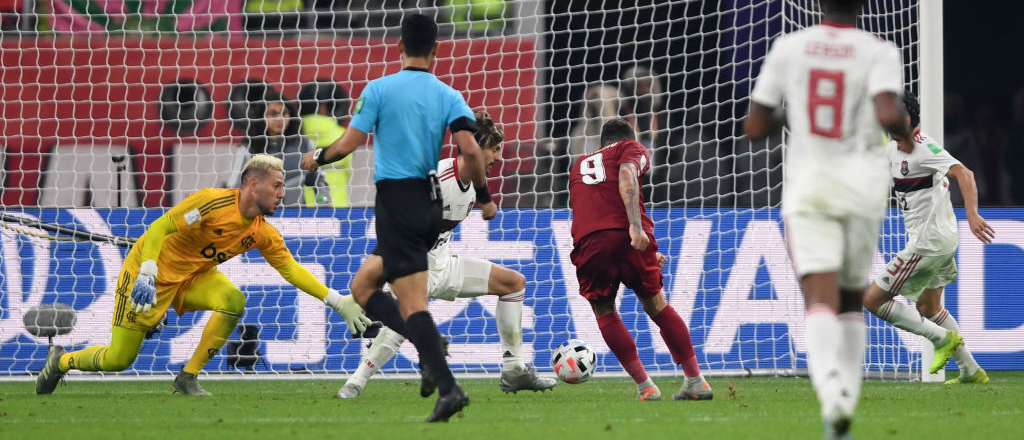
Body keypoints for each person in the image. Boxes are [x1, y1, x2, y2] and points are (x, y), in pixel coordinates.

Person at [36, 155, 372, 396]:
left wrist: (337, 300)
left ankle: (188, 376)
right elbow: (160, 226)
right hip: (147, 276)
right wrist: (148, 270)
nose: (283, 193)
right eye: (277, 185)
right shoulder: (211, 204)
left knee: (232, 300)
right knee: (118, 359)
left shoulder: (261, 232)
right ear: (253, 185)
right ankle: (61, 360)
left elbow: (291, 269)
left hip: (193, 278)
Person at [301, 14, 491, 422]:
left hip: (396, 202)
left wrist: (317, 158)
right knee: (363, 286)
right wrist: (486, 197)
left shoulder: (379, 89)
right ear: (436, 52)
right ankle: (428, 346)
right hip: (429, 203)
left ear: (399, 48)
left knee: (412, 305)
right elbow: (472, 152)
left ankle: (446, 383)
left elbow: (349, 144)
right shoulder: (448, 94)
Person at [745, 0, 915, 437]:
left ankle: (832, 397)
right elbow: (886, 114)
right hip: (862, 190)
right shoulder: (879, 50)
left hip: (810, 189)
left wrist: (795, 114)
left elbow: (754, 125)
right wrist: (902, 135)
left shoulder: (789, 46)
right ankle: (849, 400)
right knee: (850, 300)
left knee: (819, 300)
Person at [337, 111, 556, 399]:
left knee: (513, 283)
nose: (499, 158)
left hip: (443, 264)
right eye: (495, 150)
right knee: (406, 321)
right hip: (414, 266)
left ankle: (513, 370)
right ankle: (354, 383)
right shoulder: (439, 179)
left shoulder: (474, 186)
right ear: (475, 149)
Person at [568, 118, 712, 402]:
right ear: (630, 139)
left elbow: (592, 210)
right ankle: (695, 380)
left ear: (600, 144)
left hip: (590, 242)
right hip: (627, 234)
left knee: (605, 311)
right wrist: (634, 226)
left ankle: (645, 385)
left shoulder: (578, 165)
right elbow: (626, 175)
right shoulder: (631, 148)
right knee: (657, 304)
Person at [863, 91, 993, 384]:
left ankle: (942, 340)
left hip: (928, 242)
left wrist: (972, 214)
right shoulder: (893, 149)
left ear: (907, 118)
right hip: (942, 239)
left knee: (872, 300)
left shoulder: (925, 148)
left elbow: (966, 174)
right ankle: (970, 370)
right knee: (929, 307)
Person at [243, 90, 332, 207]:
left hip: (296, 218)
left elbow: (319, 182)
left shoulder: (304, 145)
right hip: (261, 219)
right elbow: (235, 187)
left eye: (284, 113)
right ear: (262, 117)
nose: (280, 119)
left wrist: (323, 203)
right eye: (273, 114)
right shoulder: (248, 149)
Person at [298, 80, 353, 207]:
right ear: (323, 107)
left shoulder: (294, 135)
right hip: (337, 207)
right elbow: (348, 171)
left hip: (301, 210)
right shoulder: (343, 135)